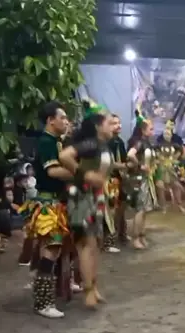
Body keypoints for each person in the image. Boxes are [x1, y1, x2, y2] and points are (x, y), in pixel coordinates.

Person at [19, 101, 72, 318]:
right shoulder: (47, 141)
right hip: (48, 206)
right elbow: (52, 171)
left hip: (54, 204)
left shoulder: (55, 141)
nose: (66, 121)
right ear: (50, 120)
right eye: (62, 117)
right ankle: (43, 303)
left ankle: (46, 298)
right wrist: (80, 174)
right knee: (51, 249)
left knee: (52, 250)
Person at [58, 100, 113, 309]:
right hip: (81, 197)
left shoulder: (101, 145)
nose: (113, 126)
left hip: (94, 197)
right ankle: (88, 291)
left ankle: (93, 287)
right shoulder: (90, 144)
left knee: (94, 244)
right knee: (86, 245)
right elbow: (64, 156)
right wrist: (86, 175)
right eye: (109, 123)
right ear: (98, 126)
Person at [126, 113, 157, 250]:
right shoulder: (138, 142)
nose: (153, 131)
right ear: (143, 130)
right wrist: (140, 166)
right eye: (151, 129)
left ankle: (142, 235)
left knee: (144, 210)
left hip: (145, 179)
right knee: (140, 209)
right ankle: (135, 238)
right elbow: (130, 154)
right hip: (139, 179)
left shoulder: (146, 142)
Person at [106, 114, 129, 249]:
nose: (118, 125)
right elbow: (109, 163)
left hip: (120, 178)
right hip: (109, 179)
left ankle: (122, 233)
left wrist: (127, 167)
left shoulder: (119, 141)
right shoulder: (106, 142)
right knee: (112, 209)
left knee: (122, 207)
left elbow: (124, 160)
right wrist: (125, 166)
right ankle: (109, 241)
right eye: (114, 123)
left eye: (119, 123)